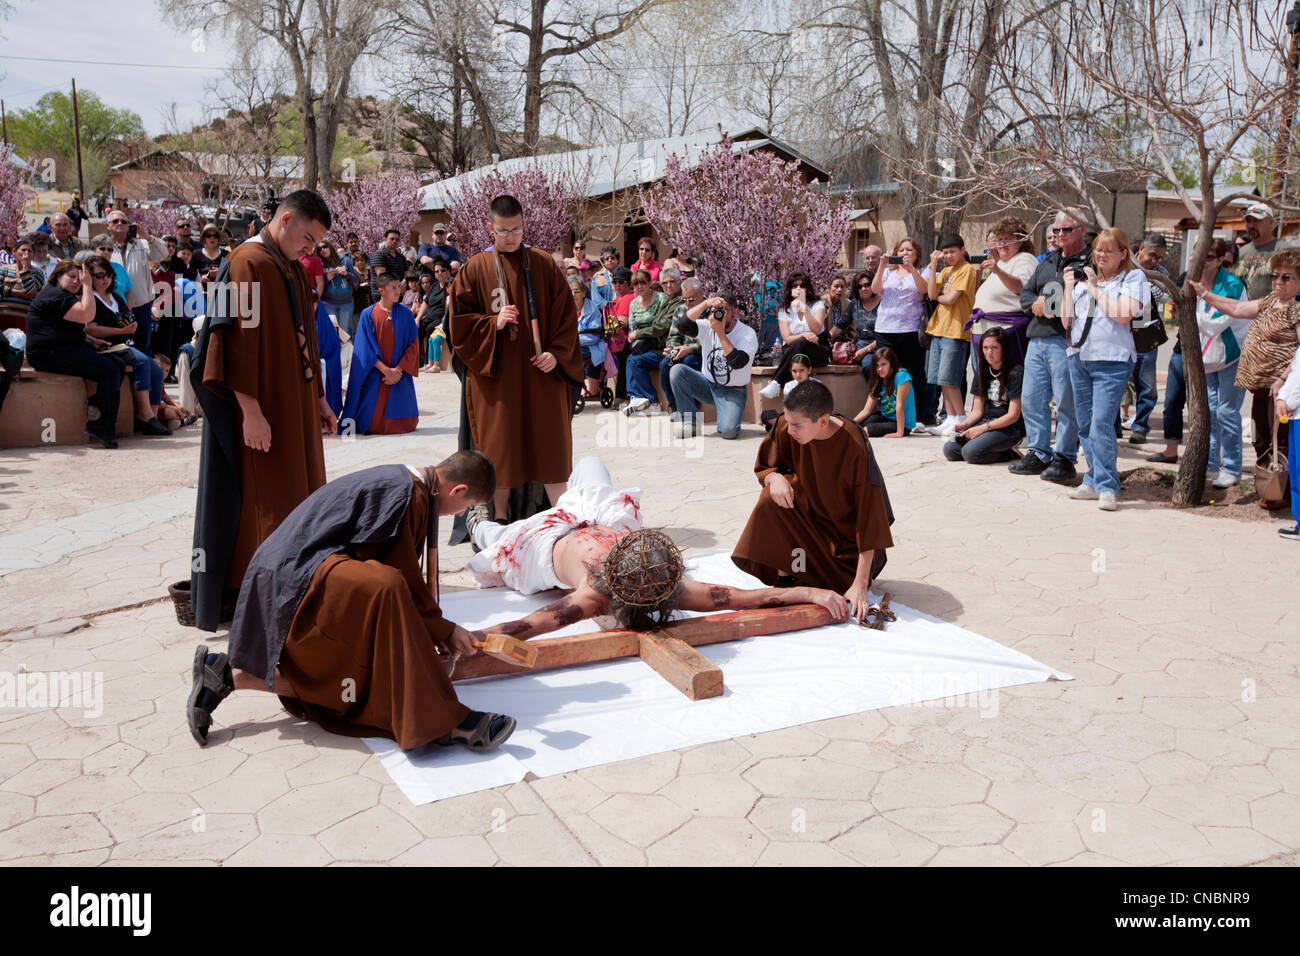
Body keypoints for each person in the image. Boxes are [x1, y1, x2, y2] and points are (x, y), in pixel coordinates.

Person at [187, 452, 518, 752]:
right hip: (293, 577)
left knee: (366, 660)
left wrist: (437, 629)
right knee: (385, 587)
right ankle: (444, 721)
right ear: (457, 490)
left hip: (296, 569)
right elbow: (399, 575)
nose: (458, 514)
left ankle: (226, 675)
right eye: (463, 508)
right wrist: (445, 630)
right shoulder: (407, 495)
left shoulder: (409, 484)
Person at [464, 456, 849, 630]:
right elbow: (753, 596)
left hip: (541, 543)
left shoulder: (600, 589)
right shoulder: (664, 579)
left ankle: (480, 522)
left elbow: (532, 624)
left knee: (495, 541)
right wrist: (815, 592)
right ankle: (510, 515)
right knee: (591, 462)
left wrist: (470, 638)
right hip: (594, 514)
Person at [190, 189, 338, 632]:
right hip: (262, 411)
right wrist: (250, 411)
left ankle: (294, 586)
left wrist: (319, 398)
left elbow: (303, 337)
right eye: (308, 238)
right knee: (266, 501)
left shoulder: (290, 265)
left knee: (299, 495)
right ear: (286, 219)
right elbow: (232, 341)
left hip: (294, 404)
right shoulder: (245, 264)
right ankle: (260, 597)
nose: (312, 250)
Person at [447, 193, 584, 521]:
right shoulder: (475, 268)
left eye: (516, 230)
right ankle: (499, 516)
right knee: (501, 446)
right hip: (499, 377)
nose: (510, 238)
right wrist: (492, 323)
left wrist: (556, 355)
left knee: (550, 445)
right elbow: (458, 324)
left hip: (542, 374)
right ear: (490, 229)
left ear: (524, 226)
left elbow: (566, 316)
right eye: (503, 231)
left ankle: (564, 515)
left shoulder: (544, 264)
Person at [733, 380, 895, 623]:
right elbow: (767, 464)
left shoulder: (854, 447)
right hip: (811, 525)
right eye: (787, 421)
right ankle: (790, 574)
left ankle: (822, 577)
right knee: (771, 498)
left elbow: (870, 518)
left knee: (842, 585)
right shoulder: (789, 426)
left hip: (844, 552)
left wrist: (860, 584)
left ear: (822, 421)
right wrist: (774, 477)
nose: (789, 430)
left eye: (797, 425)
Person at [1061, 228, 1149, 511]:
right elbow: (1065, 321)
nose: (1101, 255)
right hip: (1079, 357)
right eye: (1098, 249)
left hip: (1113, 360)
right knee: (1085, 424)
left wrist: (1096, 290)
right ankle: (1092, 479)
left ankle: (1108, 486)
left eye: (1108, 250)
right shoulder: (1084, 283)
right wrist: (1068, 286)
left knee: (1101, 423)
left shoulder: (1133, 278)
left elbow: (1123, 314)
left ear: (1123, 254)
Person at [1194, 247, 1300, 478]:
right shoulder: (1271, 301)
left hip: (1283, 390)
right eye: (1275, 275)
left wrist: (1283, 380)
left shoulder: (1298, 308)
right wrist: (1204, 294)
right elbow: (1237, 308)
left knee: (1281, 442)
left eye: (1286, 277)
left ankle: (1281, 490)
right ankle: (1268, 484)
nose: (1278, 281)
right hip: (1261, 386)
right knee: (1260, 438)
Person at [1011, 209, 1091, 483]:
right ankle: (1039, 452)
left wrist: (1050, 306)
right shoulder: (1048, 262)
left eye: (1066, 230)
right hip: (1037, 339)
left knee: (1066, 403)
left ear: (1082, 230)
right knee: (1032, 400)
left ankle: (1065, 456)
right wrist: (1037, 305)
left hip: (1066, 341)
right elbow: (1026, 294)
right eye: (1056, 231)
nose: (1059, 235)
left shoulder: (1089, 262)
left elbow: (1085, 300)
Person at [23, 260, 123, 448]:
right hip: (48, 354)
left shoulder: (63, 294)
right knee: (110, 371)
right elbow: (87, 316)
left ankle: (97, 407)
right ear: (58, 276)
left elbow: (66, 328)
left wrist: (91, 341)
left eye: (80, 278)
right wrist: (87, 285)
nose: (76, 281)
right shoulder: (55, 295)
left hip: (65, 348)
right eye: (72, 277)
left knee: (117, 364)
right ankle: (101, 428)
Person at [82, 253, 175, 436]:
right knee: (141, 361)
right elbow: (90, 329)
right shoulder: (90, 298)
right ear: (90, 277)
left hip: (125, 345)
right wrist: (121, 331)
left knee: (155, 369)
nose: (105, 279)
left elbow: (129, 318)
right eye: (99, 275)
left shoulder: (116, 297)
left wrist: (132, 326)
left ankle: (152, 417)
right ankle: (144, 415)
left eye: (107, 275)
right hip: (105, 346)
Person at [1188, 238, 1249, 488]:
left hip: (1232, 357)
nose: (1203, 262)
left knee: (1227, 412)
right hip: (1206, 359)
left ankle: (1232, 468)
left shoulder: (1232, 285)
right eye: (1199, 256)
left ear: (1222, 259)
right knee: (1210, 412)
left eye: (1209, 257)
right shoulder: (1192, 281)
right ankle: (1210, 462)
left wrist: (1190, 308)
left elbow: (1214, 325)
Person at [669, 290, 757, 440]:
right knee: (677, 371)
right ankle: (691, 424)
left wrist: (721, 333)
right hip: (708, 384)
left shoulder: (747, 333)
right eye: (717, 310)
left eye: (725, 310)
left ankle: (727, 416)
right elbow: (682, 325)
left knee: (728, 432)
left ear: (735, 312)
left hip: (733, 392)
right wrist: (705, 304)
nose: (720, 314)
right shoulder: (708, 325)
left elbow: (737, 362)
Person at [340, 272, 420, 435]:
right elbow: (364, 348)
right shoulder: (368, 314)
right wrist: (385, 370)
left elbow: (413, 345)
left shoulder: (406, 314)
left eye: (399, 287)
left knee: (405, 422)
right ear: (381, 290)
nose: (398, 291)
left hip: (400, 374)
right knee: (371, 421)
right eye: (393, 288)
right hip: (376, 374)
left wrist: (397, 370)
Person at [870, 237, 932, 428]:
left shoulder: (923, 271)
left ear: (916, 255)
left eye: (910, 250)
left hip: (911, 329)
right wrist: (882, 265)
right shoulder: (888, 271)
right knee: (885, 372)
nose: (905, 253)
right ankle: (887, 413)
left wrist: (911, 269)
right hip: (886, 328)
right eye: (902, 250)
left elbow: (924, 290)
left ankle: (917, 415)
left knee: (913, 373)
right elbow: (875, 289)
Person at [942, 327, 1024, 464]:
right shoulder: (982, 371)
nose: (989, 352)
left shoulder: (1016, 372)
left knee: (970, 453)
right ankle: (987, 447)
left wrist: (982, 429)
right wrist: (963, 425)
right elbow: (977, 410)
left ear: (1003, 348)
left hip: (1007, 428)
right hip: (985, 422)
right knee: (950, 449)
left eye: (994, 348)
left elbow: (1013, 415)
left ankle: (1009, 453)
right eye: (985, 348)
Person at [924, 234, 978, 437]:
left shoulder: (967, 270)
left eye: (952, 251)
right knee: (940, 378)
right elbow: (931, 294)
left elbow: (951, 299)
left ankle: (960, 418)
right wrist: (933, 265)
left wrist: (938, 297)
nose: (948, 256)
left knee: (951, 378)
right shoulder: (945, 270)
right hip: (938, 328)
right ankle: (950, 418)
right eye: (945, 252)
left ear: (963, 250)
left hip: (956, 330)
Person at [970, 217, 1036, 375]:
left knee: (1008, 384)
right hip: (985, 333)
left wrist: (998, 271)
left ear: (1020, 241)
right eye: (999, 239)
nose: (1002, 244)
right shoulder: (1001, 263)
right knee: (988, 386)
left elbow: (1021, 286)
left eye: (1007, 239)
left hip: (1006, 333)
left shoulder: (1025, 259)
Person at [104, 211, 168, 356]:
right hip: (113, 306)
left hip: (141, 305)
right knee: (117, 347)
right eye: (115, 221)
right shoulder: (104, 247)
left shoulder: (142, 244)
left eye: (124, 221)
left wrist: (148, 236)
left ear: (129, 226)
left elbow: (163, 253)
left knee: (142, 346)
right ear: (107, 225)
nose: (120, 223)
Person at [759, 273, 831, 398]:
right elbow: (787, 338)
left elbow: (816, 328)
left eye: (802, 285)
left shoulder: (817, 304)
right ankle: (781, 385)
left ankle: (776, 382)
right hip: (795, 352)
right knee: (799, 342)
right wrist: (803, 335)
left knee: (801, 343)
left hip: (817, 349)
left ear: (807, 288)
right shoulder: (785, 310)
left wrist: (804, 308)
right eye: (794, 285)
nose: (798, 288)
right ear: (790, 289)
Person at [622, 267, 671, 415]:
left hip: (660, 345)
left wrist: (638, 334)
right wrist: (632, 336)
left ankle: (648, 400)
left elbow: (662, 326)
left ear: (650, 283)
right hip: (643, 345)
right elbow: (632, 328)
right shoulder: (634, 304)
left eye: (643, 283)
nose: (639, 287)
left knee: (634, 361)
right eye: (636, 284)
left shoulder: (661, 299)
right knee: (630, 358)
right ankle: (636, 397)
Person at [660, 277, 703, 418]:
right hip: (682, 351)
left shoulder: (710, 311)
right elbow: (673, 336)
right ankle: (674, 405)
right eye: (685, 300)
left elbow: (713, 341)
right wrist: (675, 348)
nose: (688, 303)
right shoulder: (680, 309)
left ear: (701, 294)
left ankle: (693, 406)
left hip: (699, 353)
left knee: (689, 362)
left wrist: (689, 349)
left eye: (691, 299)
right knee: (665, 364)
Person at [1234, 202, 1296, 299]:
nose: (1251, 225)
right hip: (1241, 309)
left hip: (1272, 311)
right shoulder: (1241, 252)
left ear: (1271, 223)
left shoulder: (1284, 251)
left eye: (1257, 220)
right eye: (1248, 221)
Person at [853, 346, 914, 438]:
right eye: (877, 366)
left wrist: (899, 433)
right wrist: (850, 423)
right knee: (859, 425)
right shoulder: (878, 380)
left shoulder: (901, 376)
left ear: (891, 363)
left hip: (901, 424)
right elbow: (867, 410)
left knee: (867, 430)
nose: (879, 369)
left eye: (883, 364)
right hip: (885, 418)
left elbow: (899, 405)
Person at [1275, 349, 1300, 539]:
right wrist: (1282, 397)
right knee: (1295, 468)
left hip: (1295, 409)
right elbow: (1295, 371)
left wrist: (1286, 401)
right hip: (1295, 413)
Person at [761, 353, 820, 431]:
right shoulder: (789, 385)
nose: (798, 374)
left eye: (801, 370)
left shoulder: (817, 385)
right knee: (766, 415)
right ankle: (784, 427)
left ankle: (781, 428)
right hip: (792, 418)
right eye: (794, 371)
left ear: (809, 370)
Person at [317, 240, 357, 340]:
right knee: (332, 332)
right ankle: (336, 355)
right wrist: (326, 279)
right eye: (319, 249)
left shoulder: (345, 260)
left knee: (345, 333)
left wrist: (346, 274)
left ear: (330, 246)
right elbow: (319, 283)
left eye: (325, 246)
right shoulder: (320, 264)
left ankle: (347, 355)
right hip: (328, 304)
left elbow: (356, 281)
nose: (322, 250)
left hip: (346, 304)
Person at [370, 229, 412, 303]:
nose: (394, 241)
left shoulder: (401, 256)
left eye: (397, 239)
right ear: (385, 239)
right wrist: (399, 286)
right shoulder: (379, 254)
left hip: (398, 294)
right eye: (392, 239)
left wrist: (404, 281)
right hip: (382, 295)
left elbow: (406, 273)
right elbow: (383, 277)